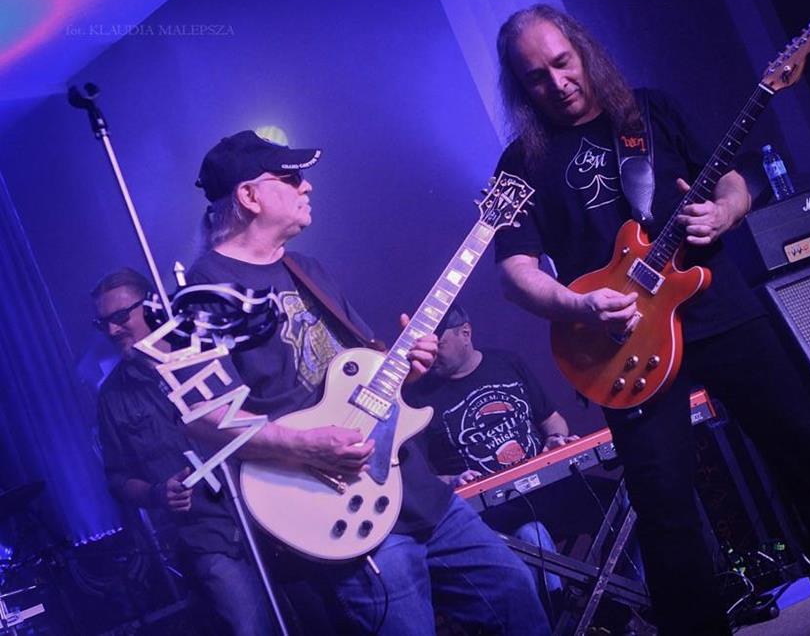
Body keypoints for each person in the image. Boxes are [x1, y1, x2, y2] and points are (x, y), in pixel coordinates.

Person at [490, 4, 810, 635]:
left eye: (562, 63)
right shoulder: (521, 163)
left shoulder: (648, 111)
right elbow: (513, 270)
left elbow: (733, 182)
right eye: (537, 76)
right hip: (622, 342)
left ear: (582, 50)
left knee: (808, 451)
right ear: (521, 86)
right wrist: (579, 305)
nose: (557, 82)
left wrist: (725, 213)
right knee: (665, 508)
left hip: (718, 308)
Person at [183, 130, 549, 634]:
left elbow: (365, 366)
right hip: (337, 507)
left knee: (515, 594)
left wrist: (407, 367)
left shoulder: (306, 268)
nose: (306, 186)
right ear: (249, 196)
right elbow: (204, 415)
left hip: (415, 489)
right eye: (290, 178)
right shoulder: (205, 289)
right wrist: (305, 445)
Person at [93, 267, 274, 636]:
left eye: (120, 317)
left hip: (272, 502)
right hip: (206, 535)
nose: (112, 331)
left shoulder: (208, 348)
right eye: (103, 324)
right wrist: (158, 493)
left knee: (317, 609)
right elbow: (117, 478)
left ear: (152, 306)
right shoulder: (111, 397)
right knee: (250, 627)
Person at [402, 303, 580, 598]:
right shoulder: (418, 398)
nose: (431, 355)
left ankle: (622, 612)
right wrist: (453, 481)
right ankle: (560, 617)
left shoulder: (507, 363)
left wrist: (555, 441)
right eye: (426, 346)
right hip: (493, 513)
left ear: (465, 333)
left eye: (438, 344)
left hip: (547, 491)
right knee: (531, 534)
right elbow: (420, 478)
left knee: (629, 499)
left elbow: (553, 421)